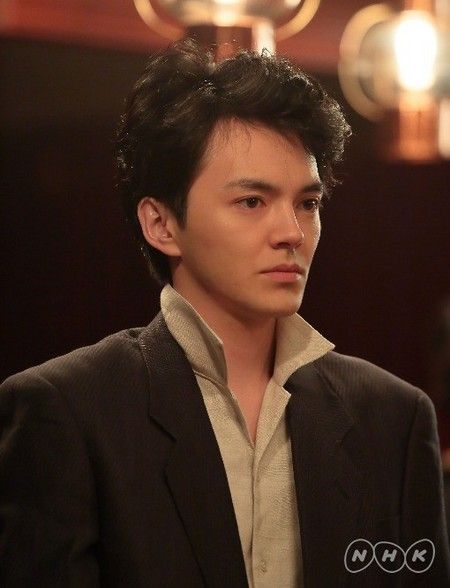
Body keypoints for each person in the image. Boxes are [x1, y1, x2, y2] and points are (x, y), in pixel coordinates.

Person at [0, 39, 448, 587]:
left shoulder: (393, 418)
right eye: (252, 202)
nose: (291, 233)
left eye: (307, 203)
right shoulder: (70, 412)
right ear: (161, 224)